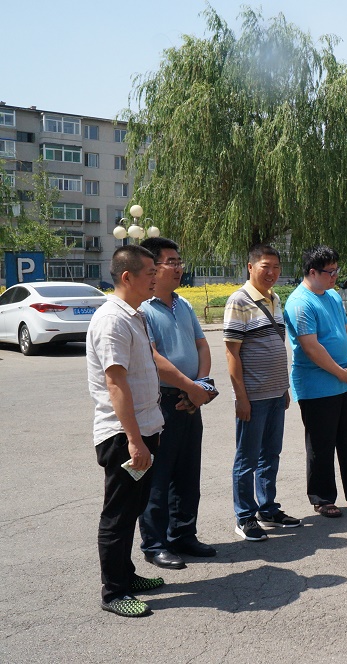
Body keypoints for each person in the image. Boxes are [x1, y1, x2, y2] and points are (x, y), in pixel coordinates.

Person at [86, 245, 165, 618]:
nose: (156, 277)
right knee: (118, 514)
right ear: (127, 276)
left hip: (144, 428)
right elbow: (116, 383)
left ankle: (126, 575)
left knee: (133, 508)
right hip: (122, 436)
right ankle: (114, 592)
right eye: (150, 272)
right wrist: (134, 440)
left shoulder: (135, 315)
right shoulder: (111, 320)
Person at [284, 246, 347, 517]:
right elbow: (311, 347)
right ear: (312, 272)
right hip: (316, 386)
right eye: (330, 272)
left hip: (343, 381)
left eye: (336, 270)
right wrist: (340, 373)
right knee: (321, 445)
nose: (335, 276)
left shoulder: (332, 296)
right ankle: (323, 498)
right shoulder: (300, 302)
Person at [137, 237, 217, 571]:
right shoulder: (143, 309)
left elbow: (202, 345)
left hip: (190, 399)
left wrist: (201, 385)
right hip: (163, 402)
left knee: (187, 472)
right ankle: (155, 544)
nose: (178, 267)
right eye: (171, 261)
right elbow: (152, 357)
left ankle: (183, 534)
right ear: (152, 267)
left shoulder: (183, 304)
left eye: (179, 261)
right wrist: (190, 387)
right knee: (159, 476)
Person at [224, 244, 300, 542]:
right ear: (250, 267)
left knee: (270, 454)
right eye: (265, 266)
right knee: (247, 459)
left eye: (276, 267)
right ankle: (245, 516)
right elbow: (232, 353)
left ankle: (268, 509)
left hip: (275, 393)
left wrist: (284, 389)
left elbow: (276, 346)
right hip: (253, 397)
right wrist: (241, 397)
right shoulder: (238, 300)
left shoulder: (274, 298)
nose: (272, 272)